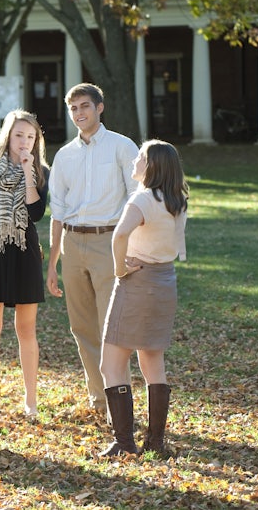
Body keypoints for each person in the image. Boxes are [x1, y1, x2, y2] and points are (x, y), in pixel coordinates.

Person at [46, 83, 139, 415]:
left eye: (85, 106)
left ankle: (120, 402)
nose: (79, 113)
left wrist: (129, 247)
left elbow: (137, 198)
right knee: (82, 326)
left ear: (100, 108)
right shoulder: (65, 155)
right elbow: (57, 209)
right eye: (73, 109)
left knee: (110, 327)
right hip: (72, 243)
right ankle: (99, 401)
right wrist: (53, 261)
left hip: (109, 240)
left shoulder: (122, 146)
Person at [99, 140, 187, 457]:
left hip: (138, 283)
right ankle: (156, 443)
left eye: (141, 156)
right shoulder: (177, 199)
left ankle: (124, 443)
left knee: (111, 362)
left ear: (153, 166)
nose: (135, 160)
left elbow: (120, 234)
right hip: (165, 281)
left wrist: (119, 269)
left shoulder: (144, 198)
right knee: (152, 361)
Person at [0, 110, 50, 417]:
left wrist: (29, 173)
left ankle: (30, 400)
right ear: (7, 136)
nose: (24, 142)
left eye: (30, 137)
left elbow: (36, 214)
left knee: (26, 328)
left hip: (25, 251)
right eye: (19, 135)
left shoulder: (41, 170)